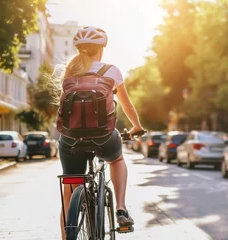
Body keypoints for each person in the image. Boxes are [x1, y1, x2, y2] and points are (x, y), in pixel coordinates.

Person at [53, 26, 145, 238]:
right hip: (103, 136)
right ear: (101, 49)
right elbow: (127, 106)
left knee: (70, 189)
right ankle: (121, 208)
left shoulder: (70, 72)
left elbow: (62, 109)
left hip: (71, 139)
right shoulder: (111, 70)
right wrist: (136, 127)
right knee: (117, 159)